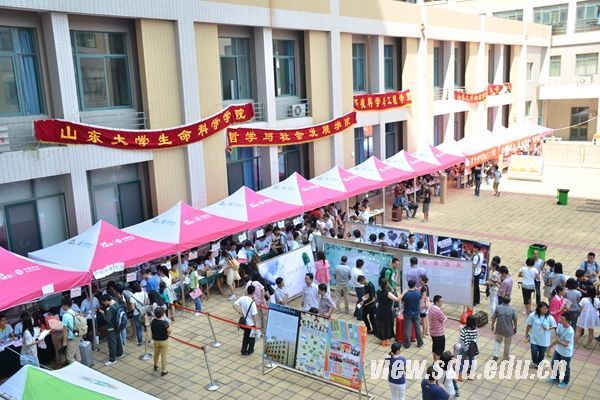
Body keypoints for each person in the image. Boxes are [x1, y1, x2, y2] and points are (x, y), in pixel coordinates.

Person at [547, 312, 574, 388]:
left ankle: (565, 382)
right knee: (553, 364)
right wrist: (549, 347)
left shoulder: (570, 331)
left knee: (565, 368)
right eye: (560, 318)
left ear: (567, 321)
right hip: (558, 350)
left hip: (566, 353)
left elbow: (565, 344)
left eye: (562, 319)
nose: (560, 320)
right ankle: (556, 378)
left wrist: (558, 339)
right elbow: (557, 338)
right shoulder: (560, 325)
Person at [525, 301, 556, 367]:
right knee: (534, 352)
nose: (546, 310)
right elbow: (529, 325)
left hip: (544, 340)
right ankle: (535, 362)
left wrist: (548, 328)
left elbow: (554, 325)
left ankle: (538, 363)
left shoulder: (549, 317)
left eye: (547, 308)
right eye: (544, 308)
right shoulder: (533, 315)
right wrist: (526, 334)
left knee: (542, 354)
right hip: (534, 338)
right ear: (539, 308)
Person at [233, 285, 259, 356]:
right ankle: (250, 350)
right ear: (253, 292)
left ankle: (243, 350)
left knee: (245, 337)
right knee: (252, 338)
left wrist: (240, 312)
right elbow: (254, 315)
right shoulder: (252, 303)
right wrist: (256, 324)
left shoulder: (242, 298)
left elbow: (234, 305)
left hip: (245, 323)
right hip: (251, 324)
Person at [98, 293, 123, 366]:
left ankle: (112, 359)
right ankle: (120, 353)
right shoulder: (116, 303)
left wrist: (103, 313)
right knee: (118, 340)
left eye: (103, 302)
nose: (103, 304)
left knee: (112, 343)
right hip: (117, 326)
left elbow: (107, 320)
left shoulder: (109, 309)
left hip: (111, 328)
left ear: (106, 300)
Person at [491, 296, 518, 362]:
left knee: (497, 341)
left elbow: (493, 317)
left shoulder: (498, 308)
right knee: (507, 344)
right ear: (509, 301)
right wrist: (515, 328)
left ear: (503, 300)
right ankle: (505, 357)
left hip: (499, 328)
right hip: (509, 330)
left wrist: (492, 325)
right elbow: (515, 320)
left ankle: (496, 354)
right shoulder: (512, 309)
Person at [376, 277, 399, 346]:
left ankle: (382, 340)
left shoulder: (378, 291)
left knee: (381, 325)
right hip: (387, 311)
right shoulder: (388, 293)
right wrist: (403, 293)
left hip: (379, 310)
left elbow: (377, 299)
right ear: (386, 284)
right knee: (388, 325)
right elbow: (397, 299)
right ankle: (387, 340)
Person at [401, 280, 424, 349]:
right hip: (416, 312)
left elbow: (402, 302)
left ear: (408, 285)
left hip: (407, 313)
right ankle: (420, 342)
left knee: (407, 329)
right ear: (414, 285)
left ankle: (407, 344)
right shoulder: (418, 293)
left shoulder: (406, 293)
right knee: (418, 328)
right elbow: (420, 301)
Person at [151, 307, 171, 377]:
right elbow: (169, 330)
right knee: (164, 356)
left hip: (156, 341)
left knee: (156, 354)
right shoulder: (164, 323)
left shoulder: (153, 321)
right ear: (162, 314)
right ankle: (163, 370)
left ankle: (155, 365)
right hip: (164, 341)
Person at [61, 297, 81, 364]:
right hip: (77, 333)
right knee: (76, 351)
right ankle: (80, 366)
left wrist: (64, 341)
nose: (62, 307)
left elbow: (65, 330)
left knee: (69, 357)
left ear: (65, 305)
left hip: (72, 336)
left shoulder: (65, 316)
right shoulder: (75, 312)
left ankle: (76, 368)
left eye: (62, 305)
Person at [458, 315, 478, 381]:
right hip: (472, 348)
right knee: (471, 361)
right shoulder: (475, 330)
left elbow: (461, 340)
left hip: (464, 348)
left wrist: (464, 347)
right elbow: (475, 339)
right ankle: (471, 375)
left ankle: (460, 375)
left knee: (461, 361)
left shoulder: (464, 330)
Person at [129, 282, 149, 346]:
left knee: (138, 328)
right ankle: (148, 339)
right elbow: (147, 303)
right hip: (145, 312)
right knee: (147, 326)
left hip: (137, 314)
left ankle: (140, 342)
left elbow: (133, 308)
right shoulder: (145, 293)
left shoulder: (132, 297)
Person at [429, 295, 447, 362]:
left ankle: (434, 361)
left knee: (435, 348)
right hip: (439, 333)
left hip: (432, 332)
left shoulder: (431, 308)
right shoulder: (438, 311)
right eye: (441, 301)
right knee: (439, 351)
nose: (442, 303)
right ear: (436, 302)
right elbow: (444, 319)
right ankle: (437, 364)